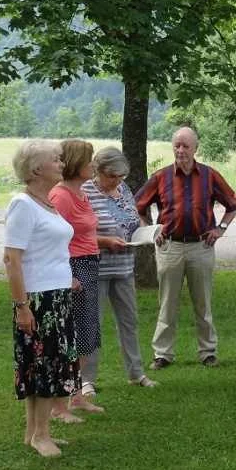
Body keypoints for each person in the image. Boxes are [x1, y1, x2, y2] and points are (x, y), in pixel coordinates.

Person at [134, 127, 236, 370]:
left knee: (203, 303)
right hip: (170, 247)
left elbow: (233, 204)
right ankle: (163, 354)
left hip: (201, 246)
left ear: (195, 148)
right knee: (167, 302)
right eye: (177, 146)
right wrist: (151, 230)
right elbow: (137, 206)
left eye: (186, 146)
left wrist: (221, 229)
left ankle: (208, 352)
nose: (181, 150)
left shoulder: (209, 175)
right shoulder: (161, 177)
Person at [3, 139, 79, 457]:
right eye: (56, 159)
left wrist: (66, 278)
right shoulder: (23, 204)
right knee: (45, 366)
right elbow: (12, 259)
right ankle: (41, 435)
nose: (62, 164)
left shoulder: (45, 203)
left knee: (44, 365)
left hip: (56, 295)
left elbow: (48, 251)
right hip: (38, 300)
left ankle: (33, 433)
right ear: (36, 169)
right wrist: (22, 306)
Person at [82, 146, 157, 389]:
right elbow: (77, 233)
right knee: (92, 324)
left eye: (121, 176)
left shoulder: (123, 189)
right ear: (98, 170)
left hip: (124, 266)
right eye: (112, 176)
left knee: (129, 321)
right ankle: (86, 380)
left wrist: (146, 231)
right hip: (96, 268)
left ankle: (136, 373)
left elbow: (133, 218)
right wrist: (105, 241)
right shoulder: (85, 191)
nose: (117, 181)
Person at [49, 139, 105, 416]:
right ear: (75, 163)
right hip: (74, 269)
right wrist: (67, 275)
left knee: (85, 336)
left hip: (89, 266)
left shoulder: (81, 194)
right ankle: (59, 406)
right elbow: (51, 239)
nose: (93, 164)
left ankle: (76, 396)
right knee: (70, 338)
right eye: (88, 159)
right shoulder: (61, 196)